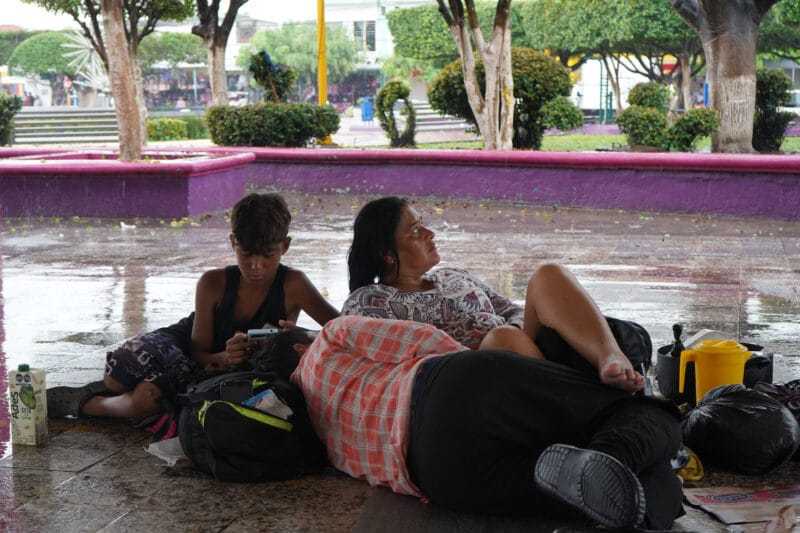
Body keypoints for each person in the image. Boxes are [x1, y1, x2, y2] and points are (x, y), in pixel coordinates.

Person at [293, 315, 683, 530]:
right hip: (448, 388)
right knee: (648, 412)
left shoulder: (311, 433)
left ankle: (619, 493)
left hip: (435, 473)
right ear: (298, 345)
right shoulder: (329, 339)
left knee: (597, 500)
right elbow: (424, 341)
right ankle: (608, 457)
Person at [47, 193, 339, 419]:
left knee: (147, 401)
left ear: (285, 247)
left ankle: (88, 404)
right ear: (232, 243)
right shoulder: (213, 283)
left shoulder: (294, 284)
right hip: (186, 351)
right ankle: (113, 391)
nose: (256, 266)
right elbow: (198, 349)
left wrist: (299, 336)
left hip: (232, 372)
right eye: (247, 254)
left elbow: (344, 330)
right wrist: (224, 357)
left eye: (268, 256)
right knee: (119, 373)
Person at [343, 196, 645, 392]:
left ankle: (610, 357)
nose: (430, 234)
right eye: (416, 231)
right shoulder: (371, 300)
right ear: (387, 254)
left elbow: (511, 309)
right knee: (502, 339)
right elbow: (380, 359)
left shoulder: (452, 275)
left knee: (548, 274)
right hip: (473, 380)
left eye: (424, 225)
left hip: (523, 352)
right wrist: (488, 343)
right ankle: (580, 399)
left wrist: (514, 330)